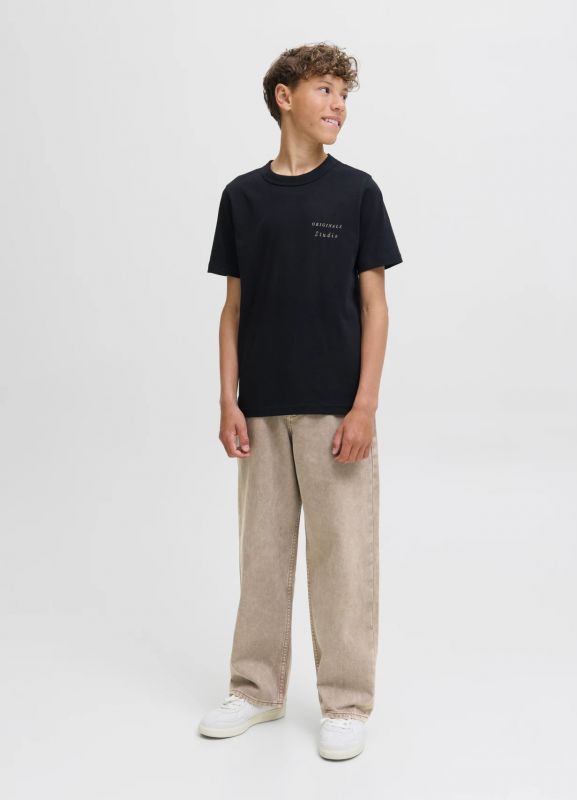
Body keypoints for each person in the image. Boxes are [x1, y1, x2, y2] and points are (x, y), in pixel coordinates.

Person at [198, 42, 403, 760]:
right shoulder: (242, 197)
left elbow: (375, 307)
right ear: (284, 97)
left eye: (344, 93)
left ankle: (346, 702)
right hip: (260, 409)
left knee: (343, 557)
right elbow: (233, 309)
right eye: (325, 89)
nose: (338, 104)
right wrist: (227, 399)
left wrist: (365, 406)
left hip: (335, 410)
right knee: (262, 556)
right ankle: (255, 689)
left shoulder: (357, 193)